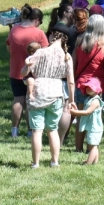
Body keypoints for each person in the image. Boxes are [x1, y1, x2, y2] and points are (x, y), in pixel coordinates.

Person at [24, 30, 74, 168]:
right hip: (57, 93)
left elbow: (25, 72)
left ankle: (35, 163)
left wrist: (27, 64)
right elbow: (71, 82)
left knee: (37, 130)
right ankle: (54, 161)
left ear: (52, 37)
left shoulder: (40, 52)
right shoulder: (66, 56)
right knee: (52, 130)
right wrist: (72, 100)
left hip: (38, 92)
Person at [6, 4, 48, 138]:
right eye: (39, 22)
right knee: (30, 101)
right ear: (36, 20)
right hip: (33, 73)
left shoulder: (14, 30)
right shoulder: (38, 33)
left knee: (18, 100)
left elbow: (8, 48)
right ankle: (31, 131)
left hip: (15, 70)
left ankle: (14, 131)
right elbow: (46, 52)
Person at [73, 14, 104, 151]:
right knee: (95, 118)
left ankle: (78, 147)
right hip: (98, 87)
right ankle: (91, 148)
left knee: (81, 116)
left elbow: (74, 64)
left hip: (81, 84)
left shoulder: (79, 42)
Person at [68, 77, 104, 164]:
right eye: (86, 87)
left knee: (93, 147)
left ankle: (88, 163)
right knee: (94, 145)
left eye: (90, 87)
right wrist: (76, 110)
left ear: (96, 90)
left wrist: (74, 112)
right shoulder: (89, 99)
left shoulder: (95, 101)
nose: (88, 89)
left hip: (95, 127)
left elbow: (87, 112)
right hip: (91, 126)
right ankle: (94, 161)